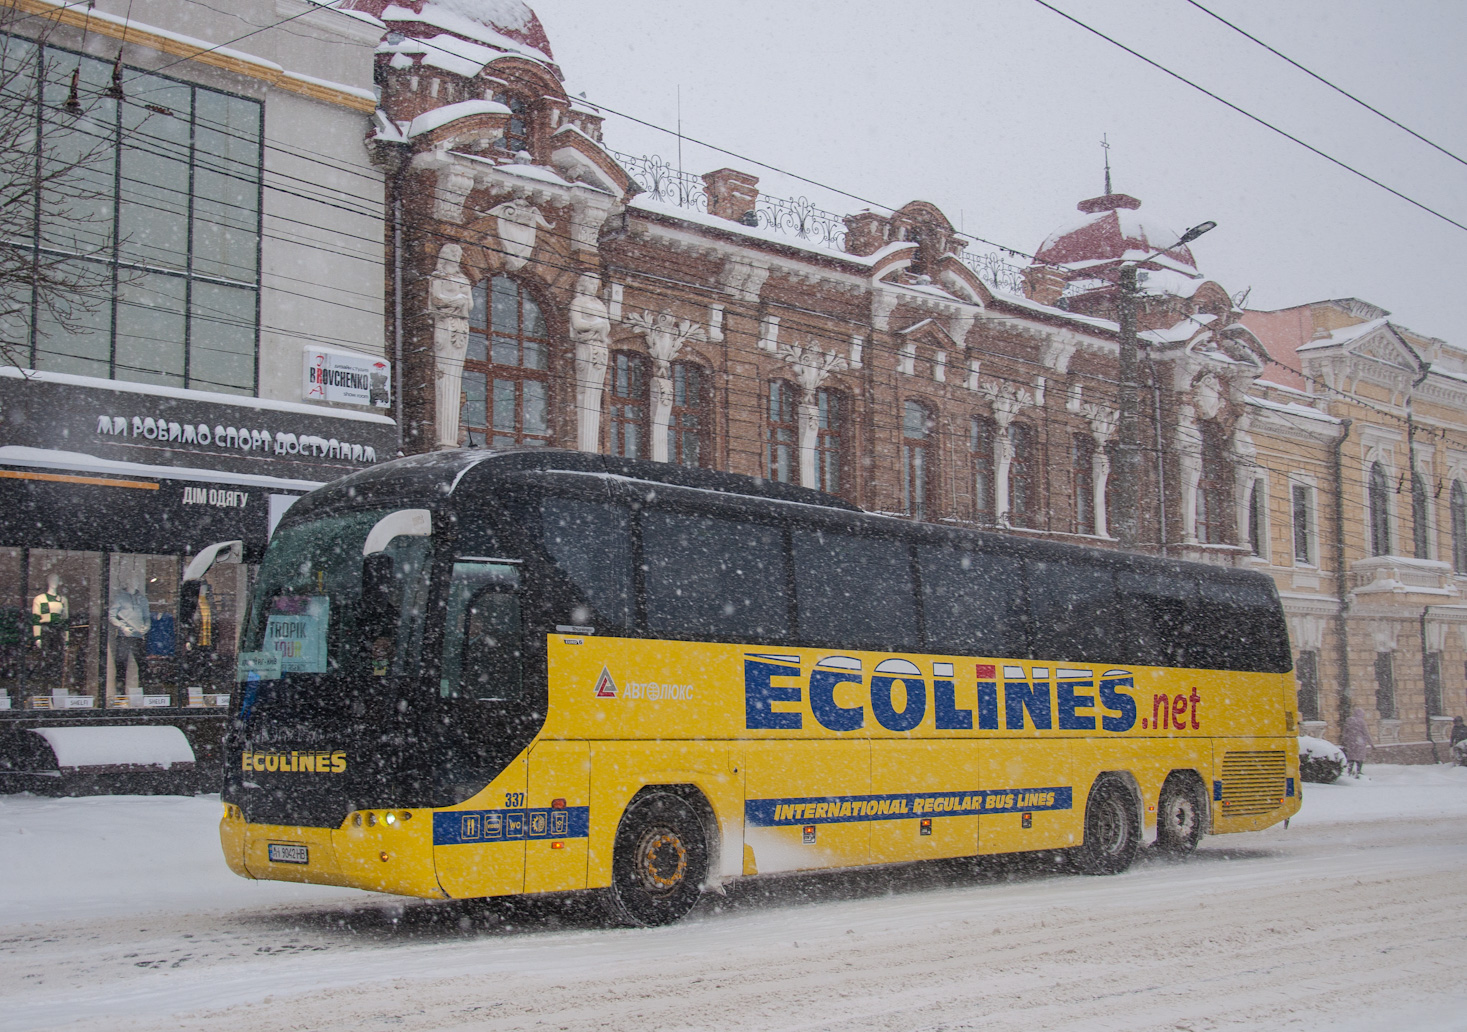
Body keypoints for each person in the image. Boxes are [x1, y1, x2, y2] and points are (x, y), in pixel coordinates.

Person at [1341, 709, 1373, 778]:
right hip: (1360, 742)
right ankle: (1359, 771)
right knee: (1360, 758)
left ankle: (1350, 770)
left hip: (1350, 742)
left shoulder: (1348, 721)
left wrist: (1344, 740)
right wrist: (1371, 743)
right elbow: (1366, 733)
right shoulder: (1361, 722)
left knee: (1351, 757)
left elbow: (1345, 731)